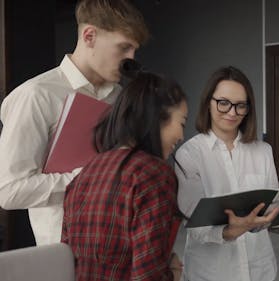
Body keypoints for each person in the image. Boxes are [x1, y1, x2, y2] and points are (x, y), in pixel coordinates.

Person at [0, 0, 149, 245]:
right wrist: (86, 178)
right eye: (123, 48)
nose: (131, 60)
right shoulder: (36, 95)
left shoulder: (120, 97)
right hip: (66, 257)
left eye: (134, 50)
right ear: (89, 36)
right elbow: (9, 191)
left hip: (120, 246)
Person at [62, 63, 187, 281]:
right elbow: (148, 275)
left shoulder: (86, 173)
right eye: (182, 123)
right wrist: (173, 273)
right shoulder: (153, 174)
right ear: (157, 118)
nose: (181, 136)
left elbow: (65, 260)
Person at [175, 66, 279, 281]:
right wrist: (229, 232)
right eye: (223, 103)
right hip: (211, 272)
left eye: (240, 105)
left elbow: (272, 206)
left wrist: (266, 219)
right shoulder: (190, 154)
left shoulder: (263, 151)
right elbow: (193, 223)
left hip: (259, 269)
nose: (232, 113)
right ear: (208, 103)